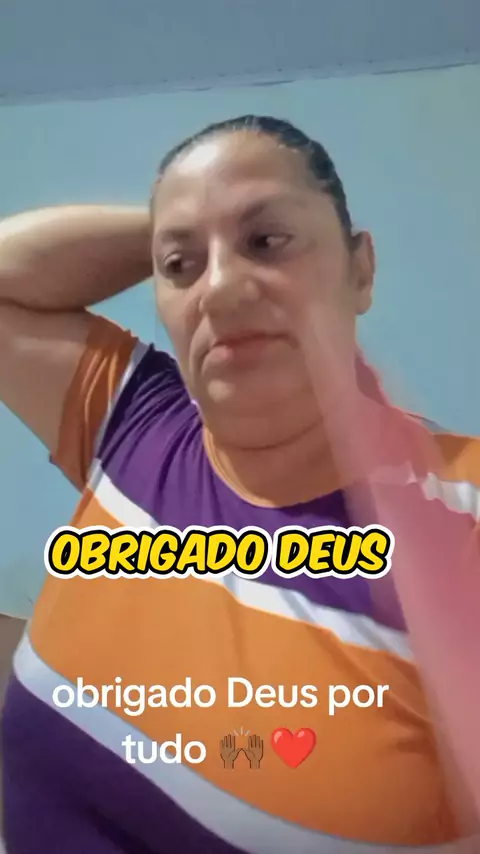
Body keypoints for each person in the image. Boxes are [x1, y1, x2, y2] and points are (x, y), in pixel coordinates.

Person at [0, 114, 479, 853]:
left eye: (267, 242)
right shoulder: (134, 422)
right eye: (181, 266)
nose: (219, 290)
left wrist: (199, 231)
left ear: (361, 271)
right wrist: (187, 223)